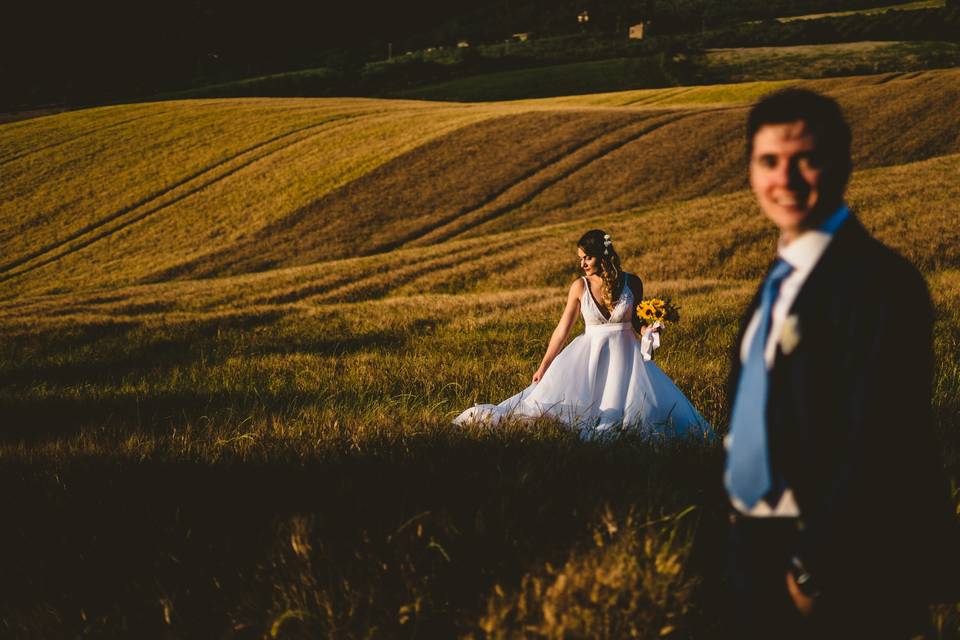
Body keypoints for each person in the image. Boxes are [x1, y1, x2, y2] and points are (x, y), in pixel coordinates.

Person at [724, 88, 955, 639]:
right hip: (760, 546)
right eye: (769, 161)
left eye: (807, 158)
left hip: (842, 560)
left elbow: (881, 434)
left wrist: (814, 569)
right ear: (751, 174)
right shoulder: (778, 280)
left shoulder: (879, 283)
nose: (787, 178)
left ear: (844, 164)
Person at [453, 229, 709, 439]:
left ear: (603, 255)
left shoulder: (633, 283)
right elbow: (562, 329)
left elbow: (636, 323)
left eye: (587, 257)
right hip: (589, 358)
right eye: (580, 258)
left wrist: (651, 329)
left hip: (626, 359)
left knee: (642, 417)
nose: (583, 263)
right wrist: (544, 365)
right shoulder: (579, 286)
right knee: (551, 409)